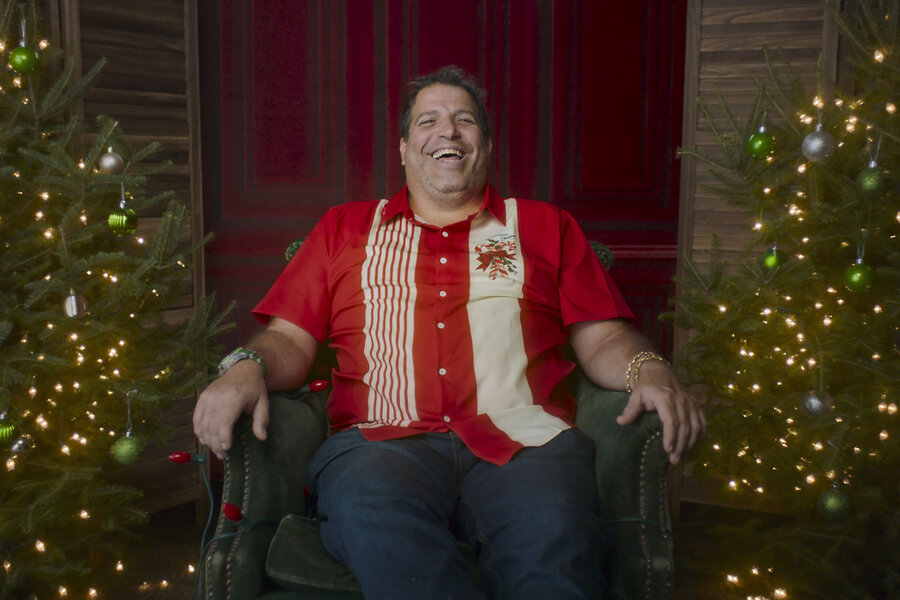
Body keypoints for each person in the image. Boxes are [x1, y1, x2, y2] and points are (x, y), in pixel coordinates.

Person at [193, 65, 705, 600]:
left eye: (465, 120)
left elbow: (602, 337)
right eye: (428, 120)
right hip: (378, 445)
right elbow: (289, 339)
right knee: (385, 532)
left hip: (528, 444)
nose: (448, 131)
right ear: (403, 148)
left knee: (553, 551)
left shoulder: (544, 225)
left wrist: (649, 368)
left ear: (486, 143)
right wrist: (246, 367)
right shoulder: (343, 228)